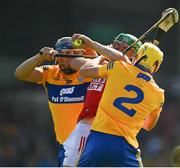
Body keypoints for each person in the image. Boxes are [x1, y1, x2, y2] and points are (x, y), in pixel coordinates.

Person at [77, 40, 165, 167]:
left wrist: (101, 57)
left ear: (136, 56)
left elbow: (84, 71)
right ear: (156, 67)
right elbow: (148, 126)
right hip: (125, 146)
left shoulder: (119, 67)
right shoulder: (159, 94)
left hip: (97, 139)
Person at [62, 33, 142, 166]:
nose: (119, 49)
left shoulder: (128, 70)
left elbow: (121, 58)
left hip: (103, 128)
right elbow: (76, 63)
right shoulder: (103, 64)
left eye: (124, 48)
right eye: (116, 46)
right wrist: (100, 57)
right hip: (86, 125)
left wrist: (95, 47)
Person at [14, 37, 97, 166]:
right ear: (57, 57)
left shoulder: (90, 73)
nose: (69, 59)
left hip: (90, 143)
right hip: (65, 145)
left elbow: (99, 66)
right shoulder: (50, 73)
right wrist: (40, 56)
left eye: (74, 55)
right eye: (65, 55)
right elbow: (20, 74)